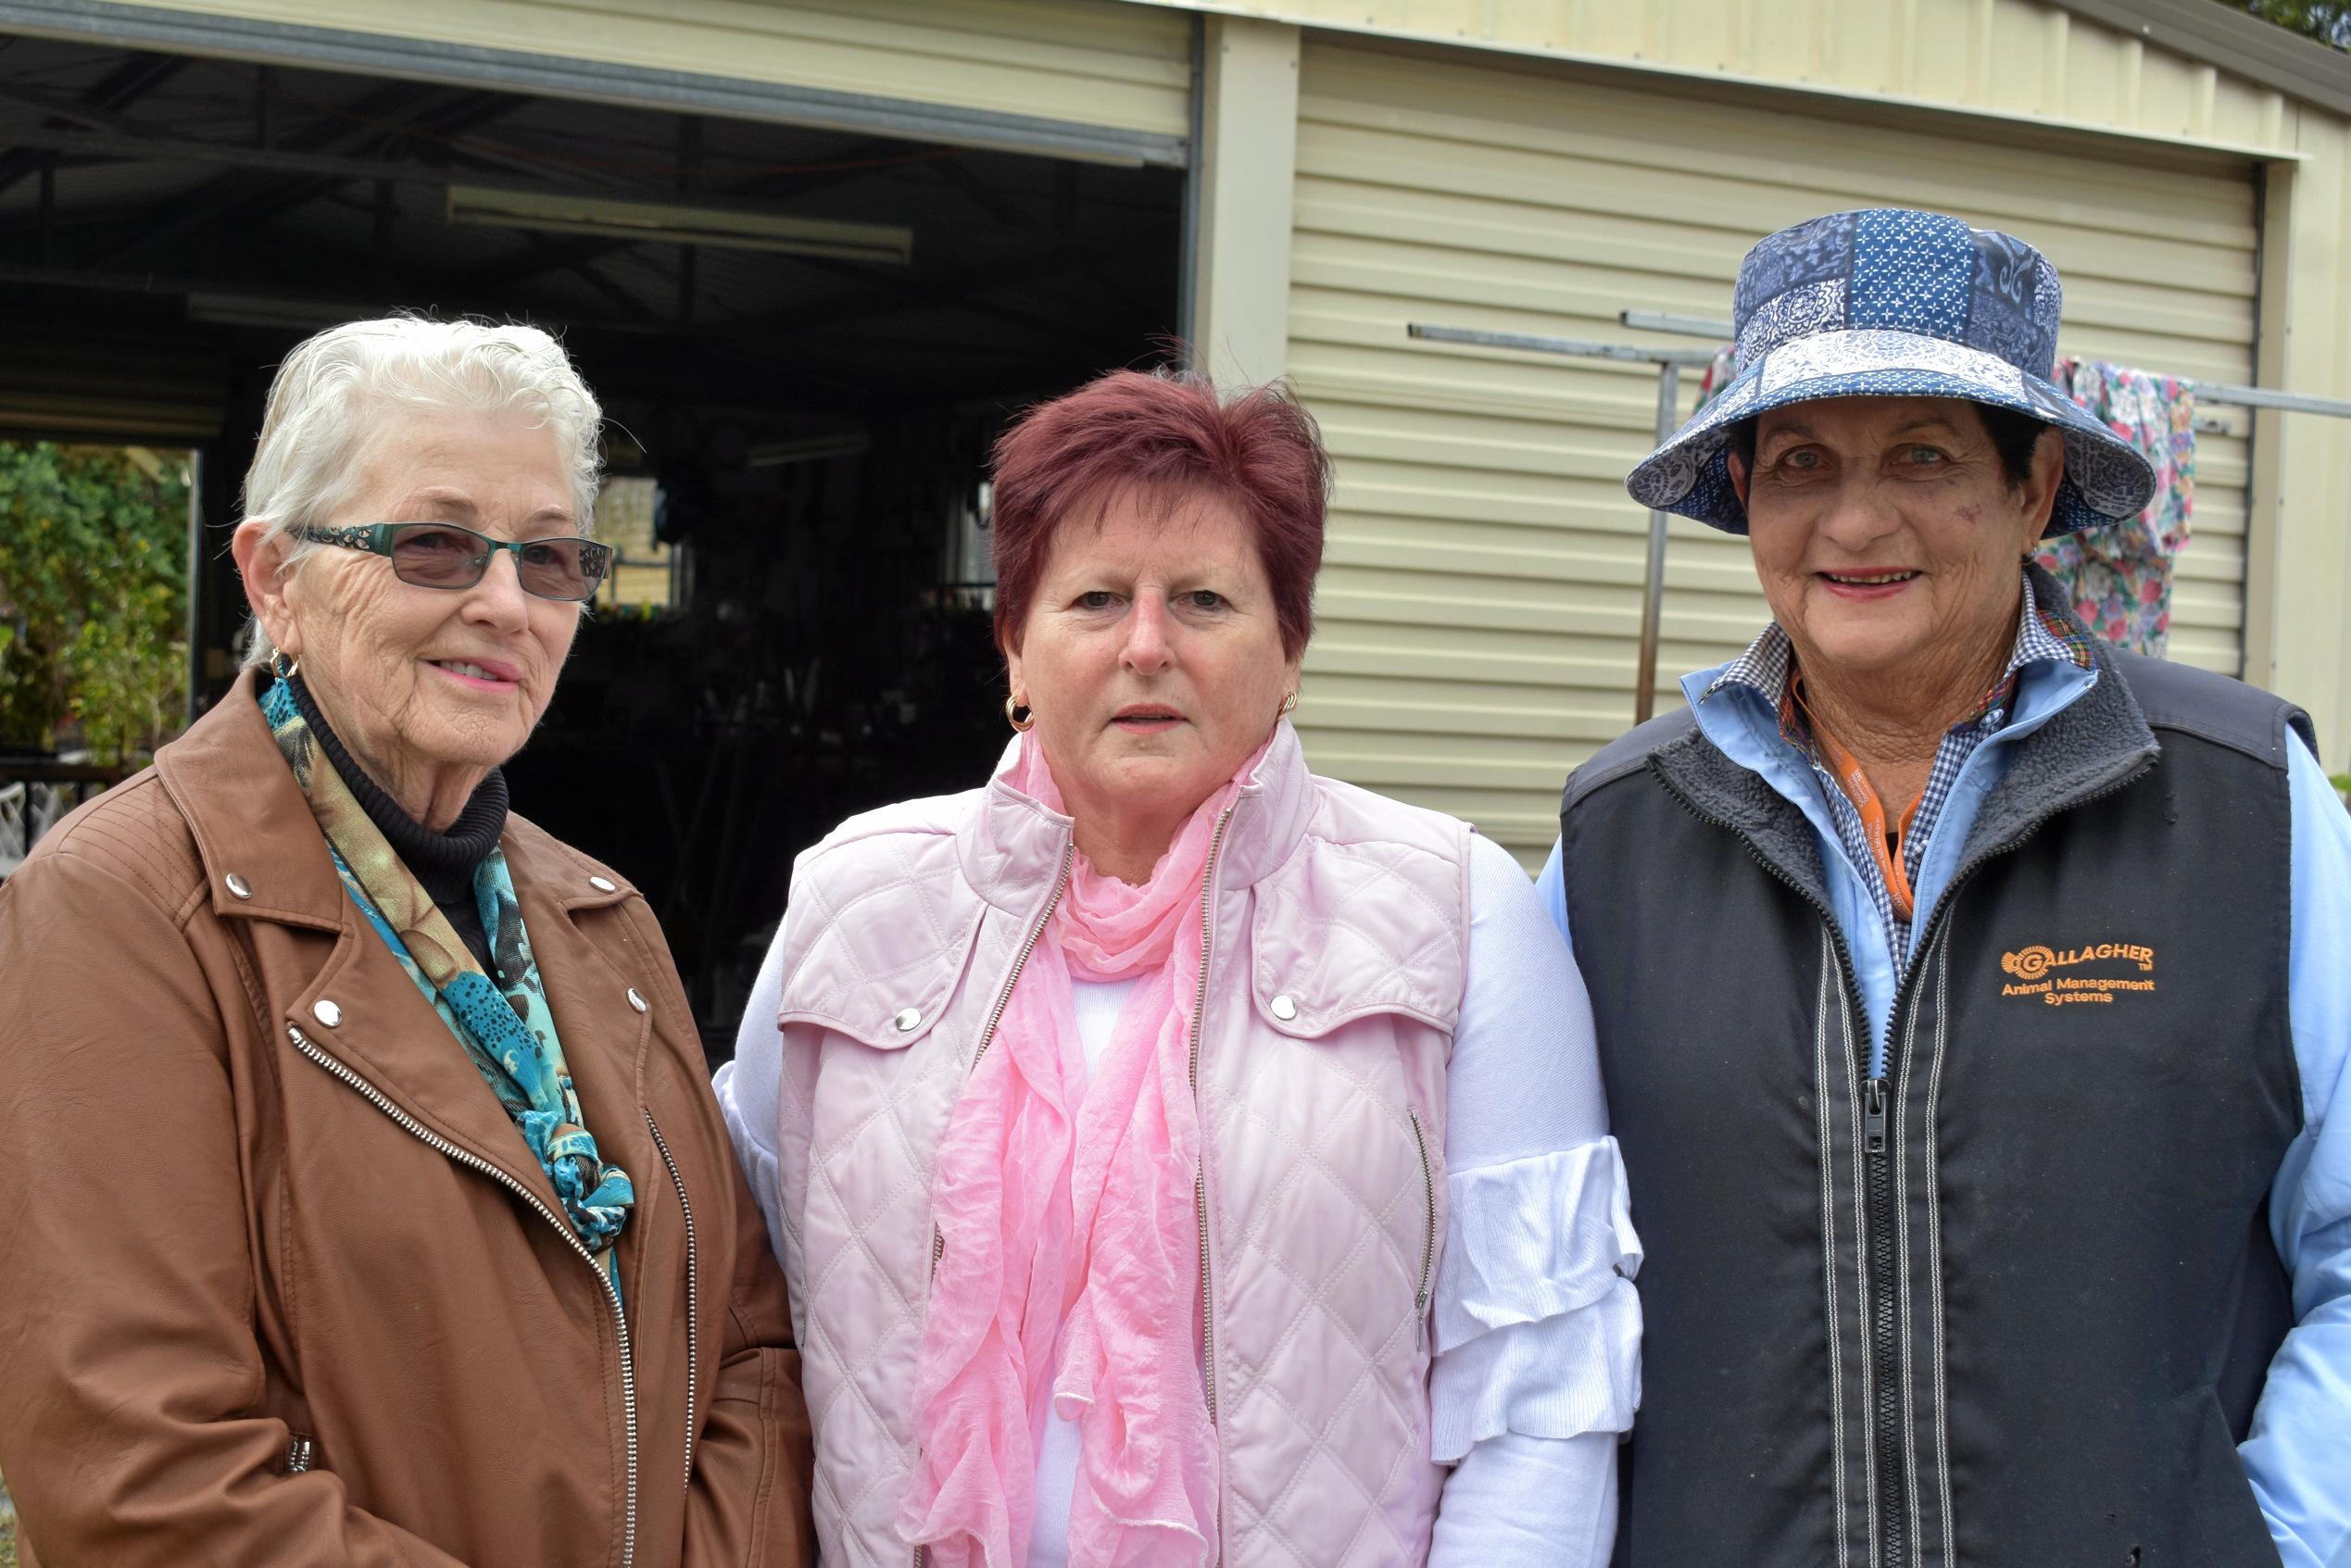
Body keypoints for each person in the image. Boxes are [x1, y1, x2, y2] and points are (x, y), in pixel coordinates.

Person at [718, 369, 1641, 1567]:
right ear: (1013, 644)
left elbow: (1541, 1394)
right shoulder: (853, 901)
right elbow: (750, 1304)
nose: (1145, 645)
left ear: (1291, 646)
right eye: (1094, 598)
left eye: (1203, 600)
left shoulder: (1456, 914)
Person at [1540, 207, 2351, 1566]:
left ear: (2033, 488)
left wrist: (2280, 1539)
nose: (1854, 520)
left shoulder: (2243, 803)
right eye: (1799, 461)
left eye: (1921, 454)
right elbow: (1533, 1298)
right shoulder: (1613, 843)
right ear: (1743, 491)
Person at [0, 317, 816, 1567]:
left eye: (548, 559)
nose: (504, 602)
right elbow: (143, 1477)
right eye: (433, 545)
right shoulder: (125, 909)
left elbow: (752, 1351)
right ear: (273, 575)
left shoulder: (603, 915)